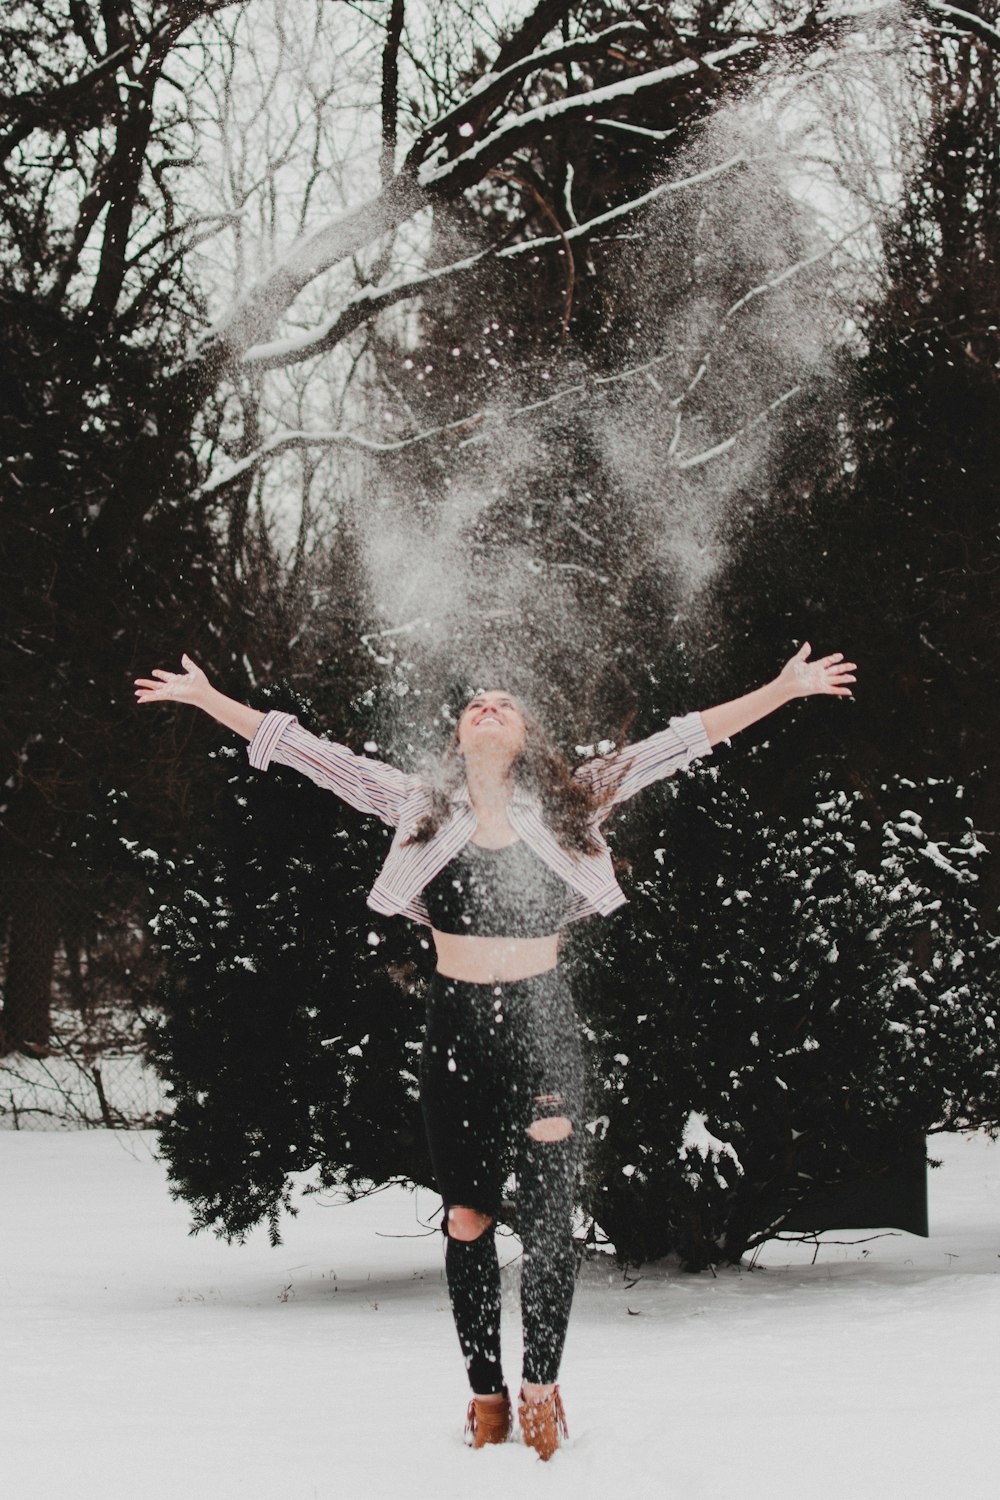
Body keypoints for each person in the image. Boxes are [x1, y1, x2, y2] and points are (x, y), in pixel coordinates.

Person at [134, 643, 856, 1459]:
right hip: (458, 1026)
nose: (488, 707)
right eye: (476, 703)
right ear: (458, 735)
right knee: (468, 1218)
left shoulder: (571, 799)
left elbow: (681, 740)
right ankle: (486, 1393)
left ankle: (542, 1385)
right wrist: (208, 699)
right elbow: (307, 753)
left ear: (525, 738)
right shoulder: (418, 805)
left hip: (542, 1021)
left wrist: (783, 685)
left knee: (550, 1218)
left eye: (505, 705)